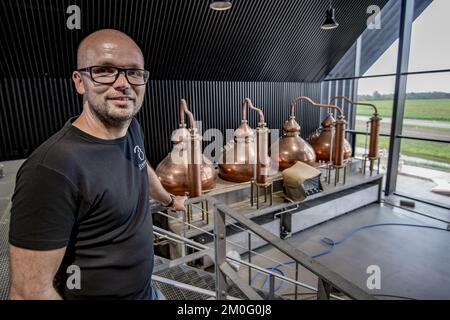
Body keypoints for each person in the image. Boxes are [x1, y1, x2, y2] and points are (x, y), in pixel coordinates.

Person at [8, 29, 186, 300]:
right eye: (105, 70)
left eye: (134, 72)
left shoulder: (131, 127)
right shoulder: (51, 170)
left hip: (146, 291)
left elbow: (141, 165)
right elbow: (29, 292)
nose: (123, 83)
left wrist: (169, 199)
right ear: (80, 81)